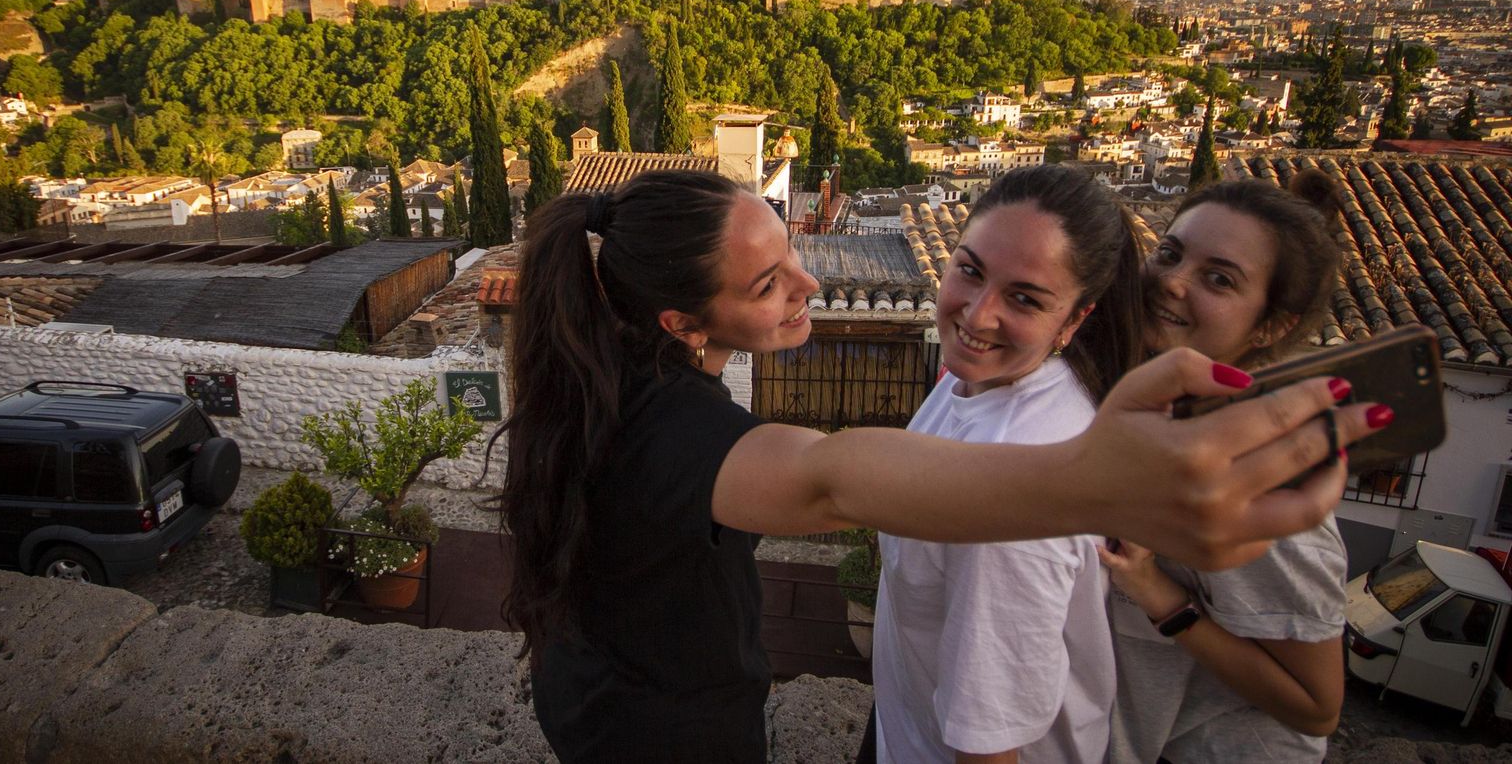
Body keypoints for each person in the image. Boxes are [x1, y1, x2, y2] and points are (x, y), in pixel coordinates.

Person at [490, 169, 1383, 762]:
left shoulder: (601, 374)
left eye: (789, 254)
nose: (806, 285)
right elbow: (833, 476)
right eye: (767, 285)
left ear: (1075, 319)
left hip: (592, 696)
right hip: (659, 733)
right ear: (680, 324)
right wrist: (1095, 483)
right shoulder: (687, 439)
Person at [1101, 169, 1376, 762]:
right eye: (1169, 254)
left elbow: (1316, 706)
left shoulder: (1261, 481)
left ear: (1271, 326)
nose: (1171, 282)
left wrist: (1156, 594)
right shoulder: (1149, 408)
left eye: (1218, 279)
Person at [872, 165, 1144, 763]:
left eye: (1024, 298)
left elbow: (990, 744)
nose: (977, 314)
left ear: (1075, 320)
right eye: (970, 271)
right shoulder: (981, 381)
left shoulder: (1017, 494)